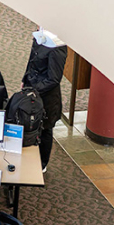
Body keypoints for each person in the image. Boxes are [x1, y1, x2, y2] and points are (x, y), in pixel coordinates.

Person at [22, 33, 67, 172]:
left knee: (45, 129)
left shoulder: (57, 47)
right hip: (31, 88)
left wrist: (34, 90)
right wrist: (25, 79)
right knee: (27, 121)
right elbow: (32, 58)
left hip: (46, 95)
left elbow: (54, 79)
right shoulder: (39, 36)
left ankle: (42, 163)